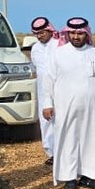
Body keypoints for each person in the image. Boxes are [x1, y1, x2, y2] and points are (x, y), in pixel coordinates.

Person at [41, 17, 95, 189]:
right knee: (68, 140)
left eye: (80, 33)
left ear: (86, 34)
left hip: (93, 108)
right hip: (65, 107)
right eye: (73, 33)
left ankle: (88, 176)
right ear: (67, 33)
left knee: (92, 140)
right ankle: (69, 178)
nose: (76, 36)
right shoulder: (58, 54)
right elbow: (48, 82)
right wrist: (47, 104)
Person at [28, 16, 63, 165]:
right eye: (37, 33)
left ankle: (63, 152)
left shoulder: (59, 45)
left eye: (42, 32)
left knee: (60, 121)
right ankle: (51, 152)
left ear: (49, 30)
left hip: (60, 89)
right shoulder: (35, 48)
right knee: (46, 122)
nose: (40, 36)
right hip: (42, 91)